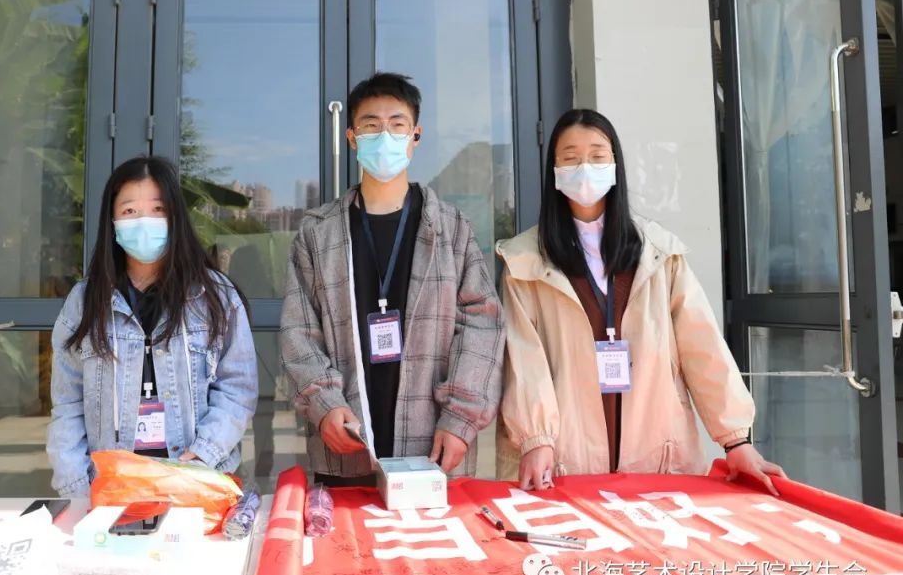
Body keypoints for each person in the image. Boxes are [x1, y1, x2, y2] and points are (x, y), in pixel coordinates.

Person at [497, 109, 785, 494]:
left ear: (615, 164)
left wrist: (736, 440)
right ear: (554, 170)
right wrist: (536, 439)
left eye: (597, 156)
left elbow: (702, 345)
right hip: (565, 454)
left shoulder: (659, 252)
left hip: (658, 450)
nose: (585, 168)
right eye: (570, 158)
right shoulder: (525, 261)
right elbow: (523, 359)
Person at [280, 72, 505, 485]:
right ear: (352, 138)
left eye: (397, 124)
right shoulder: (317, 233)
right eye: (371, 125)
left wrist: (461, 417)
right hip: (346, 440)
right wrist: (324, 404)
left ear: (415, 136)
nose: (384, 136)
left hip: (434, 443)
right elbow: (299, 331)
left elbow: (482, 323)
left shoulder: (451, 228)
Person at [47, 156, 258, 497]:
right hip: (113, 489)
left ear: (175, 217)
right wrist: (77, 488)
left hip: (194, 484)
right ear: (112, 222)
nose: (144, 221)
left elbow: (237, 389)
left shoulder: (215, 296)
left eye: (158, 209)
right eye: (130, 211)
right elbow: (68, 404)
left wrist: (202, 455)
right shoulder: (84, 301)